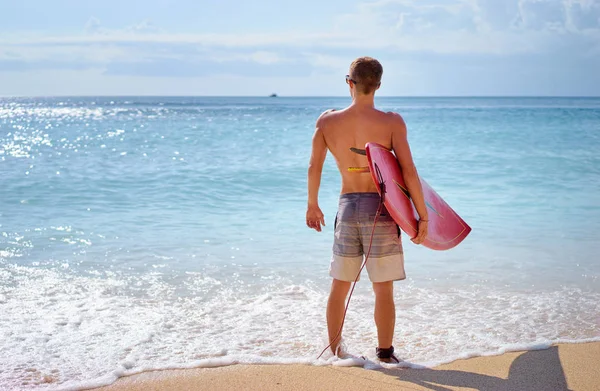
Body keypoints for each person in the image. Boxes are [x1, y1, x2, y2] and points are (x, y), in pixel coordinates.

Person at [306, 57, 429, 363]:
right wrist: (421, 214)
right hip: (381, 211)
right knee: (382, 287)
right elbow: (408, 171)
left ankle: (335, 351)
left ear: (349, 82)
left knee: (340, 284)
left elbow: (314, 166)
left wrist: (312, 205)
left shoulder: (327, 122)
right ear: (378, 86)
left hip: (347, 207)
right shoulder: (391, 122)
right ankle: (386, 353)